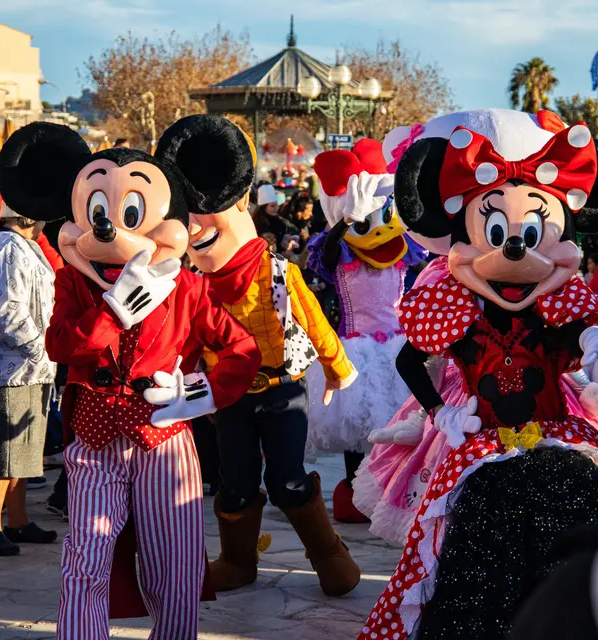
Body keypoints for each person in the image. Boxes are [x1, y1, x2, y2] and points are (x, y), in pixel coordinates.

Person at [0, 120, 261, 639]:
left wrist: (196, 394)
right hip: (95, 438)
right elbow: (60, 347)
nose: (110, 231)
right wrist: (111, 313)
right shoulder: (75, 280)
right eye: (97, 215)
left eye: (131, 214)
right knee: (86, 558)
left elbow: (241, 349)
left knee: (176, 566)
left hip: (165, 436)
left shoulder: (185, 288)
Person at [358, 108, 598, 640]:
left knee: (569, 527)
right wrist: (440, 410)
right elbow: (408, 359)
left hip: (559, 438)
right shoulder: (459, 316)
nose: (515, 247)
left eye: (532, 231)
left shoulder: (560, 314)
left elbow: (585, 345)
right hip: (481, 447)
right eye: (496, 230)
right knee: (477, 552)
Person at [165, 114, 361, 598]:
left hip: (281, 393)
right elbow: (188, 344)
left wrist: (337, 370)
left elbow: (316, 324)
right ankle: (237, 561)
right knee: (235, 483)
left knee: (288, 480)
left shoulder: (279, 273)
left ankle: (329, 554)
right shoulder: (195, 287)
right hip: (229, 400)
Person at [306, 139, 426, 523]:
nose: (373, 232)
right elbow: (324, 255)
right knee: (359, 428)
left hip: (398, 349)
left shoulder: (404, 253)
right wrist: (345, 221)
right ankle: (354, 493)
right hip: (356, 349)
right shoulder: (338, 257)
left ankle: (391, 491)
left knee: (397, 425)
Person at [0, 201, 57, 557]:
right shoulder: (7, 247)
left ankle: (18, 520)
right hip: (14, 366)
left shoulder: (27, 245)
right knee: (4, 451)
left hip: (36, 366)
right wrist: (41, 349)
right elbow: (7, 310)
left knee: (25, 452)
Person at [254, 184, 298, 250]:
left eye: (277, 205)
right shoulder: (261, 224)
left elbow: (293, 229)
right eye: (272, 206)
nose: (276, 208)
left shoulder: (279, 220)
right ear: (264, 207)